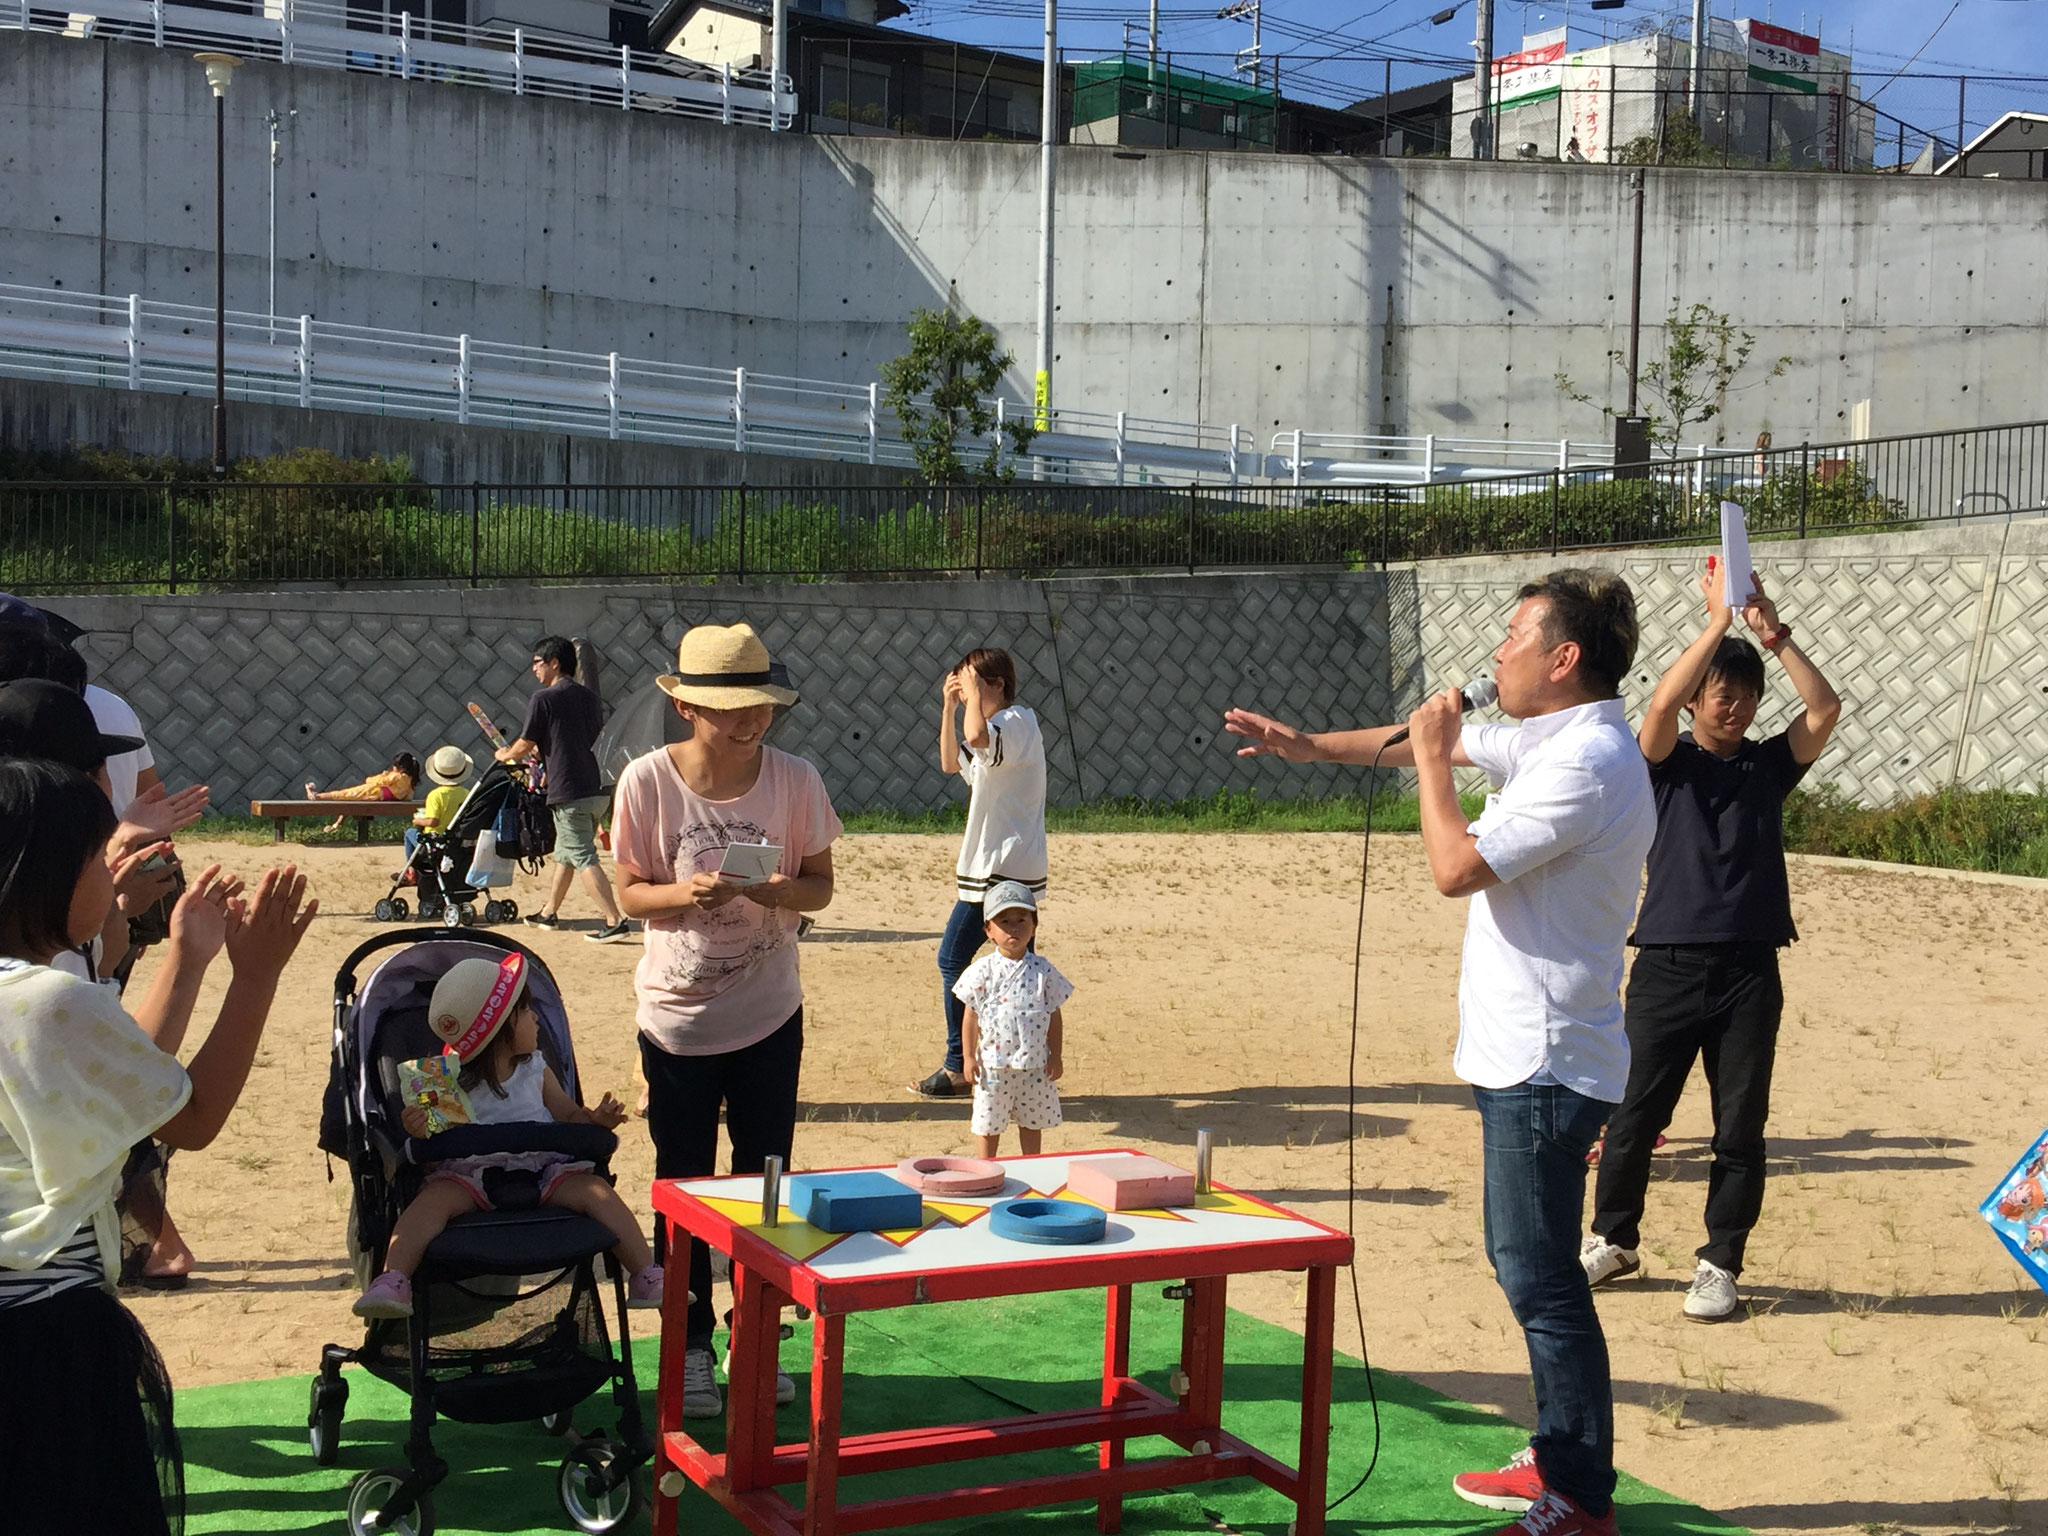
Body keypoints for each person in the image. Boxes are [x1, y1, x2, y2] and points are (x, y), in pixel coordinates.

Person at [1224, 568, 1655, 1536]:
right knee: (1529, 1263)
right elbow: (1441, 741)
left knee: (1536, 1274)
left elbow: (1452, 865)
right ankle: (1556, 1454)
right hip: (1523, 1056)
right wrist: (1304, 747)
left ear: (1562, 657)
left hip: (1544, 1064)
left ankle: (1578, 1497)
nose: (1494, 650)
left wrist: (1426, 762)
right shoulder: (1554, 739)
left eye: (1513, 635)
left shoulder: (1586, 762)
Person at [0, 759, 314, 1536]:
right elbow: (191, 1117)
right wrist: (256, 975)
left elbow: (124, 1074)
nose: (113, 878)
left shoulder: (35, 996)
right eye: (96, 861)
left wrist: (186, 955)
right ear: (42, 876)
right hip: (44, 1338)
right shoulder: (51, 1002)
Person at [1581, 561, 1841, 1324]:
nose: (1735, 704)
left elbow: (1824, 709)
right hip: (1665, 960)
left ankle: (1719, 1263)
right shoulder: (1661, 767)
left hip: (1749, 971)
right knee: (1632, 1115)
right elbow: (1658, 704)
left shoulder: (1767, 766)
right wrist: (1717, 622)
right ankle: (1614, 1239)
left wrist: (1772, 633)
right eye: (1721, 692)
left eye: (1747, 693)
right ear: (1699, 698)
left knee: (1739, 1127)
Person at [610, 622, 841, 1421]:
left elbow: (820, 887)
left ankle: (757, 1333)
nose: (750, 721)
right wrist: (688, 895)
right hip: (676, 1020)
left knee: (765, 1181)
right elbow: (631, 891)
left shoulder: (796, 779)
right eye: (728, 708)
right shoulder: (644, 782)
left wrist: (781, 893)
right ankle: (690, 1345)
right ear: (682, 705)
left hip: (771, 1011)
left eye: (761, 706)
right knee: (683, 1184)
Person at [354, 953, 664, 1318]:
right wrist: (417, 1125)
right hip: (469, 1175)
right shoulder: (439, 1079)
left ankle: (644, 1273)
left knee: (598, 1193)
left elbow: (567, 1114)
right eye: (526, 1011)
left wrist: (596, 1120)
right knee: (429, 1204)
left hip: (542, 1168)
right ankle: (394, 1279)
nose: (536, 1018)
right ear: (499, 1028)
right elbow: (433, 1137)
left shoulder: (535, 1068)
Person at [916, 648, 1048, 1101]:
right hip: (999, 866)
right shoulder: (1000, 734)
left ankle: (958, 1065)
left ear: (997, 685)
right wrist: (949, 705)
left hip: (1002, 868)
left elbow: (976, 734)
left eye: (974, 683)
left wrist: (969, 700)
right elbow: (952, 763)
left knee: (955, 960)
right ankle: (1020, 1059)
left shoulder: (1016, 723)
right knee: (1016, 969)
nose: (966, 689)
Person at [499, 635, 629, 942]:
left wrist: (506, 755)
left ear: (554, 663)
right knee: (566, 853)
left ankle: (614, 919)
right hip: (596, 787)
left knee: (582, 854)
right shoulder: (589, 698)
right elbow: (572, 739)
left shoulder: (543, 698)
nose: (534, 669)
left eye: (537, 662)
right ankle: (549, 912)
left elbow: (525, 741)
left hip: (570, 790)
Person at [955, 882, 1070, 1157]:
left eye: (1022, 920)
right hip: (993, 1067)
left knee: (1031, 1123)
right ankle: (985, 1167)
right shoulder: (981, 970)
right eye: (1004, 922)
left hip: (1034, 1066)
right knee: (988, 1124)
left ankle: (1032, 1166)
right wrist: (968, 1057)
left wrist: (1056, 1054)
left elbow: (1054, 1012)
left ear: (1034, 925)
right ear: (989, 930)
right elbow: (970, 1015)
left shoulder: (1044, 971)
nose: (1014, 929)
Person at [399, 744, 473, 881]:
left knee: (410, 833)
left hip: (435, 841)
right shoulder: (466, 793)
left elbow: (433, 821)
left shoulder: (436, 795)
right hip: (457, 841)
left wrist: (417, 820)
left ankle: (411, 872)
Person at [307, 751, 421, 833]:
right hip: (385, 797)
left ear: (401, 768)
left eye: (395, 766)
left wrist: (379, 776)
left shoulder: (397, 776)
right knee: (349, 798)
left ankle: (317, 796)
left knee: (346, 794)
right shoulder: (411, 779)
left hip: (376, 793)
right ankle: (337, 824)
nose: (393, 767)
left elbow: (380, 781)